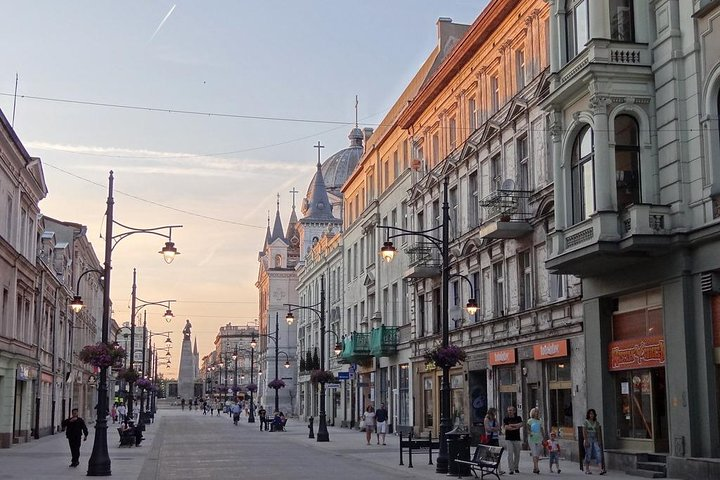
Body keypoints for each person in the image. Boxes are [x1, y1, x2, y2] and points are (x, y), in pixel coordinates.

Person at [583, 409, 606, 475]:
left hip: (595, 439)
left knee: (598, 453)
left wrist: (599, 441)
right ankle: (587, 469)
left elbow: (598, 432)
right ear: (588, 415)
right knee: (588, 454)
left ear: (594, 415)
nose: (591, 415)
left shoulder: (596, 423)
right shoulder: (586, 422)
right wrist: (586, 440)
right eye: (590, 414)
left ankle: (600, 469)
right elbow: (584, 432)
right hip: (589, 439)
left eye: (592, 414)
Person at [503, 405, 523, 475]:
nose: (510, 412)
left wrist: (512, 425)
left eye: (511, 410)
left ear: (514, 411)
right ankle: (511, 469)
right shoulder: (506, 418)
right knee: (510, 454)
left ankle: (516, 467)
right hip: (508, 438)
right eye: (508, 410)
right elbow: (507, 427)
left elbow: (521, 424)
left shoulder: (518, 417)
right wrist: (516, 426)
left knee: (517, 454)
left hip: (517, 438)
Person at [527, 407, 546, 475]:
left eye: (537, 412)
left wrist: (544, 438)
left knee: (537, 453)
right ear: (532, 413)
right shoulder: (530, 421)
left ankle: (535, 467)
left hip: (539, 438)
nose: (536, 413)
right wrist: (530, 433)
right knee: (534, 453)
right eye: (535, 412)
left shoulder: (540, 420)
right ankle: (537, 468)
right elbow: (528, 429)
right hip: (532, 438)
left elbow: (541, 429)